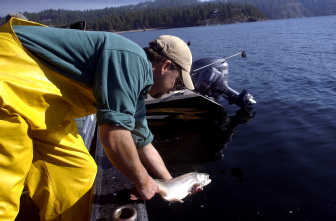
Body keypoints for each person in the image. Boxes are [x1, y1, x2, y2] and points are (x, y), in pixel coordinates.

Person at [0, 17, 194, 221]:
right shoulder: (131, 59)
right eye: (178, 81)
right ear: (166, 66)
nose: (175, 88)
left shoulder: (136, 87)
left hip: (40, 106)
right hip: (9, 81)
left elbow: (143, 143)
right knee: (5, 184)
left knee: (78, 174)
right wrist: (144, 181)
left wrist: (171, 183)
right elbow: (114, 137)